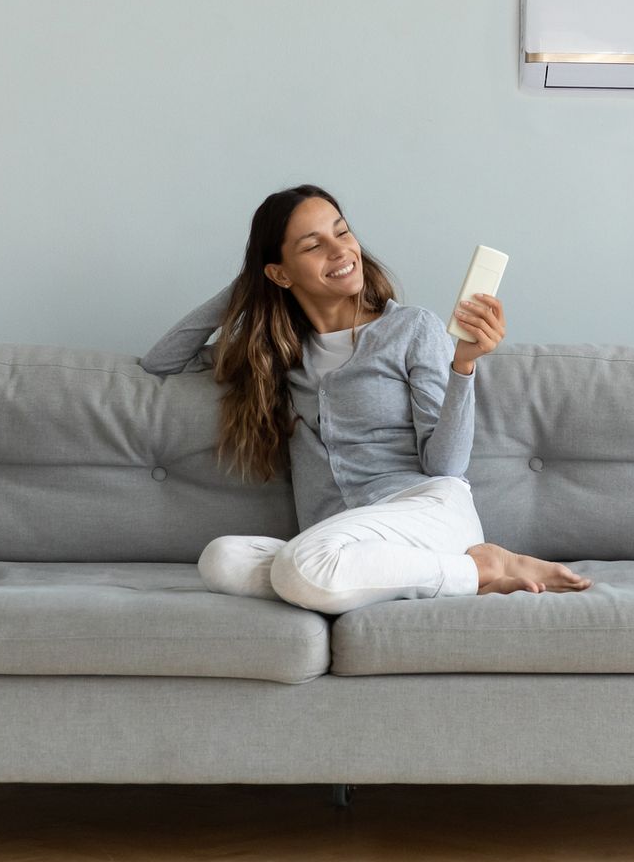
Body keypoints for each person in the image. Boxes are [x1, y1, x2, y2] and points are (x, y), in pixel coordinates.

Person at [140, 183, 591, 614]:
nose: (340, 251)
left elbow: (446, 465)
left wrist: (463, 366)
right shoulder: (277, 353)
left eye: (342, 232)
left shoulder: (411, 328)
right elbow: (163, 360)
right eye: (313, 245)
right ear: (280, 273)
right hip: (343, 542)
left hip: (425, 512)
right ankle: (411, 578)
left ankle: (479, 567)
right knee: (221, 559)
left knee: (303, 565)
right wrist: (247, 288)